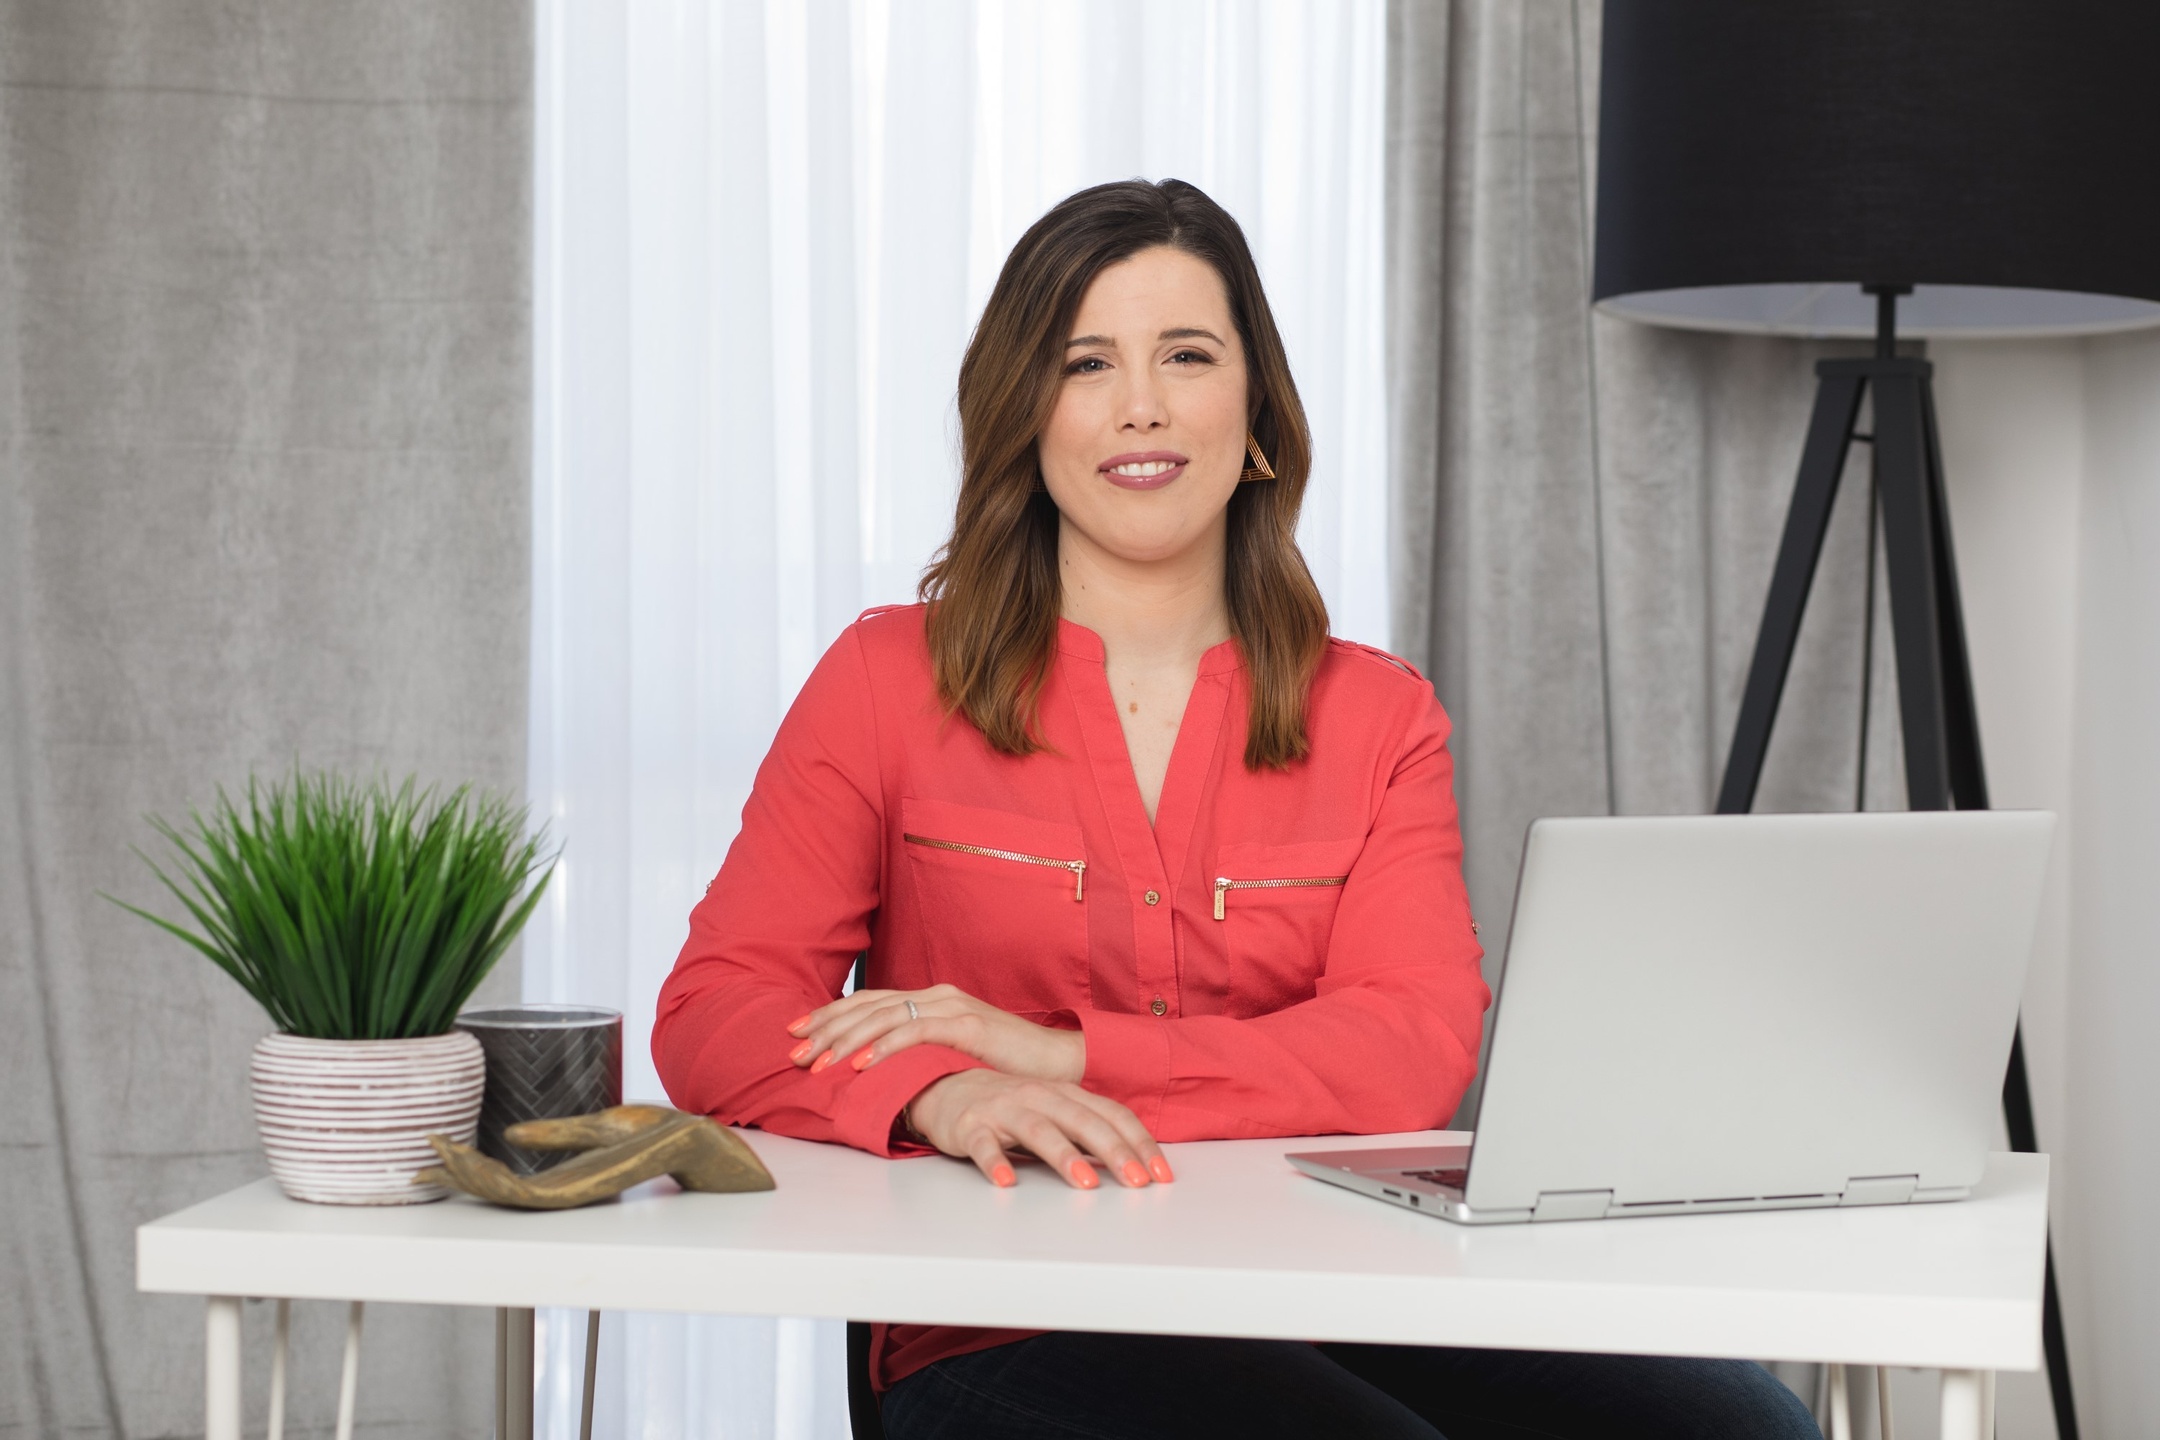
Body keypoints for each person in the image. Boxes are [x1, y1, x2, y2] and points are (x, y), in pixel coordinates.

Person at [653, 179, 1820, 1440]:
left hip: (1334, 1281)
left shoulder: (1380, 716)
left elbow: (1411, 1047)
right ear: (1026, 415)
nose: (1141, 405)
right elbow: (720, 1008)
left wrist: (1060, 1055)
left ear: (1255, 406)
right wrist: (947, 1093)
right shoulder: (885, 681)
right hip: (1005, 1310)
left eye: (1187, 356)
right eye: (1086, 362)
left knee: (1744, 1428)